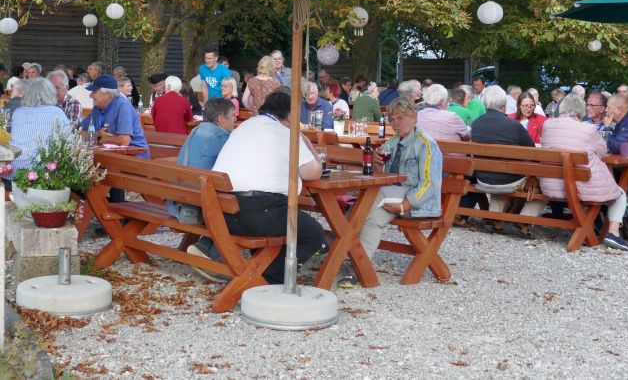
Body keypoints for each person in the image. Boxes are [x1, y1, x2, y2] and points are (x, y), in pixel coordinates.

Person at [211, 91, 326, 285]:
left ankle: (259, 273)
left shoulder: (243, 126)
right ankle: (265, 281)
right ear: (290, 116)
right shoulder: (284, 133)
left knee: (281, 221)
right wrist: (305, 141)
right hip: (256, 214)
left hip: (223, 213)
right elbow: (313, 173)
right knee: (314, 234)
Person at [337, 97, 443, 288]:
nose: (395, 123)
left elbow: (430, 183)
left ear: (414, 117)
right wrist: (377, 163)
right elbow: (382, 176)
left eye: (400, 118)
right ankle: (359, 269)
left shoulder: (425, 144)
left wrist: (405, 205)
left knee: (375, 192)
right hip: (391, 195)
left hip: (418, 203)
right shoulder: (392, 142)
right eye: (392, 119)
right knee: (373, 221)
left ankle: (337, 239)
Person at [539, 94, 628, 251]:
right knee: (620, 194)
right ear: (581, 110)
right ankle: (613, 233)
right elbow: (602, 151)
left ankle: (593, 226)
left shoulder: (548, 125)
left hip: (551, 185)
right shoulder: (588, 129)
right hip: (579, 187)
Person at [171, 97, 237, 282]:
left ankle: (204, 248)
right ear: (220, 119)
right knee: (241, 210)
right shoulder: (222, 137)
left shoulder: (196, 131)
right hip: (198, 207)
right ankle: (210, 253)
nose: (235, 120)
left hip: (179, 201)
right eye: (232, 116)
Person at [465, 85, 546, 225]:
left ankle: (494, 218)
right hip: (508, 179)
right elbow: (533, 152)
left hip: (482, 178)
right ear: (504, 105)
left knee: (500, 173)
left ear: (484, 103)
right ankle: (524, 220)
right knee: (545, 184)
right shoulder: (513, 125)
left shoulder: (476, 124)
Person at [6, 77, 71, 186]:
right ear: (50, 93)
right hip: (42, 173)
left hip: (13, 171)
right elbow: (68, 142)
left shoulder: (18, 112)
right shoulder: (56, 112)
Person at [80, 74, 150, 157]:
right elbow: (82, 133)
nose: (90, 95)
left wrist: (99, 139)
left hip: (135, 156)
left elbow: (124, 140)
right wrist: (98, 133)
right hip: (109, 155)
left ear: (108, 94)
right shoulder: (97, 108)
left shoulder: (123, 105)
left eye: (94, 92)